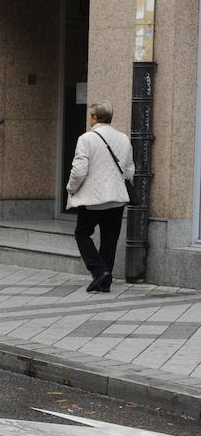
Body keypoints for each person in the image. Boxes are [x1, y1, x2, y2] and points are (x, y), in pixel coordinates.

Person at [66, 100, 134, 292]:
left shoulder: (86, 139)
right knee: (109, 240)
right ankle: (105, 282)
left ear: (95, 117)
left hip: (94, 199)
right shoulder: (123, 138)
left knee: (82, 233)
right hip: (117, 197)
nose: (90, 119)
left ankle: (98, 271)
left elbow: (79, 171)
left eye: (90, 115)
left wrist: (71, 188)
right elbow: (129, 170)